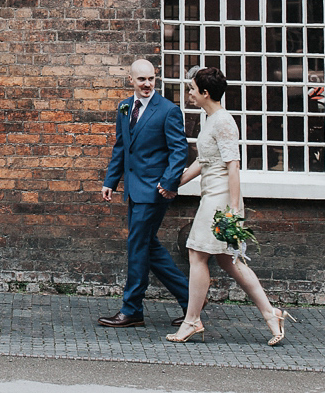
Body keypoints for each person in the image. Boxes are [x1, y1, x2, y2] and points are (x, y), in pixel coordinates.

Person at [166, 66, 294, 346]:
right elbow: (203, 161)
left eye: (192, 89)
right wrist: (174, 184)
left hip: (220, 199)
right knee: (230, 261)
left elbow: (233, 166)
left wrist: (233, 210)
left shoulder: (223, 121)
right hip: (210, 193)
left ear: (205, 92)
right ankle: (271, 313)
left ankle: (192, 320)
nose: (189, 93)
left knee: (196, 253)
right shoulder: (210, 120)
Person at [98, 59, 191, 328]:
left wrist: (169, 182)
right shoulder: (125, 106)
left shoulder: (168, 110)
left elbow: (179, 151)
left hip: (154, 191)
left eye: (151, 79)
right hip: (133, 189)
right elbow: (121, 147)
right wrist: (110, 180)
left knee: (137, 247)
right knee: (147, 246)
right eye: (141, 80)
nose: (147, 84)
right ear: (131, 80)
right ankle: (191, 298)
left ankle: (132, 309)